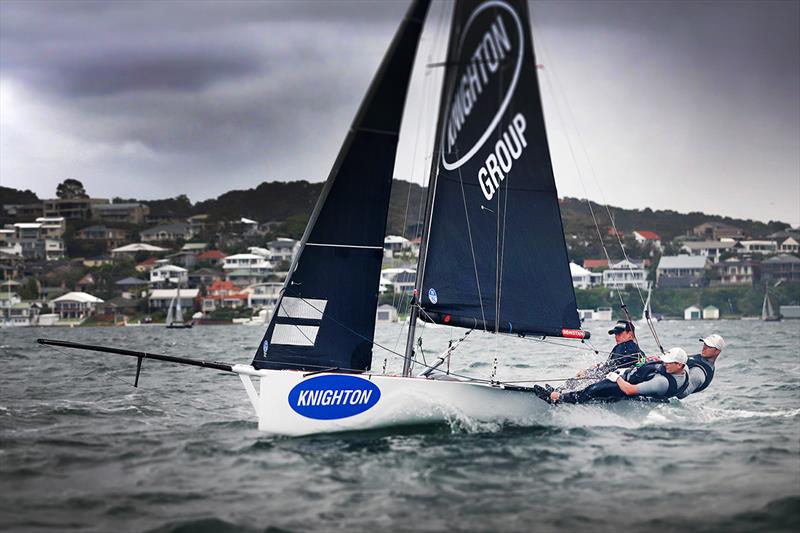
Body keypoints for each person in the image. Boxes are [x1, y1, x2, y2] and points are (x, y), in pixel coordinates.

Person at [537, 347, 690, 404]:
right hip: (627, 375)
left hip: (624, 386)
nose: (665, 364)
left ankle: (557, 398)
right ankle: (561, 390)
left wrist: (616, 378)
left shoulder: (661, 382)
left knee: (593, 389)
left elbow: (630, 390)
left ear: (679, 365)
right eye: (665, 361)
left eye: (669, 362)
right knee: (591, 375)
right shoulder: (682, 368)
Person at [559, 320, 643, 390]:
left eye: (619, 334)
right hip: (629, 382)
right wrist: (597, 366)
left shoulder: (622, 347)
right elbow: (616, 364)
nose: (616, 337)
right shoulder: (638, 350)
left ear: (630, 334)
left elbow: (609, 369)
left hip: (616, 384)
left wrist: (588, 372)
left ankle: (559, 391)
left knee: (582, 376)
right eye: (615, 334)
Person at [675, 334, 724, 399]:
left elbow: (682, 394)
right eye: (705, 344)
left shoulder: (699, 372)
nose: (704, 348)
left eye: (709, 346)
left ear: (717, 351)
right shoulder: (700, 358)